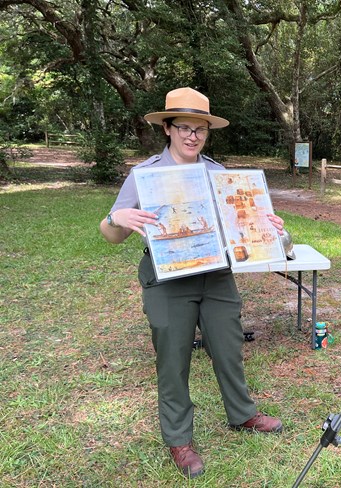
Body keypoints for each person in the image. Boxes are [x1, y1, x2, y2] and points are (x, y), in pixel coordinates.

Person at [99, 87, 283, 479]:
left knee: (229, 347)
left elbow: (250, 231)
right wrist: (117, 221)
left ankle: (242, 415)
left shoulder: (221, 175)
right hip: (167, 282)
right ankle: (179, 439)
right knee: (173, 358)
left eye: (200, 128)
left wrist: (270, 229)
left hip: (216, 278)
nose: (192, 136)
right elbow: (111, 231)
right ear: (167, 128)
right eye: (183, 127)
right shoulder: (145, 175)